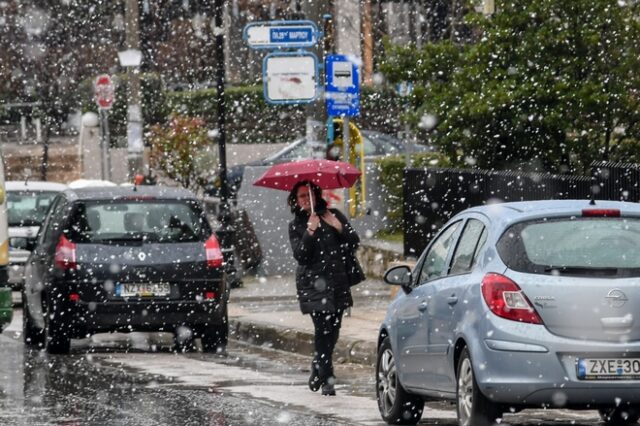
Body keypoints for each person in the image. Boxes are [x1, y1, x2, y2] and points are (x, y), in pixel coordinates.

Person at [287, 180, 361, 396]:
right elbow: (301, 256)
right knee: (322, 330)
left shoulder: (334, 214)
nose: (305, 199)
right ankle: (328, 378)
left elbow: (354, 242)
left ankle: (317, 366)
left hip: (338, 281)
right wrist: (310, 231)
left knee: (334, 330)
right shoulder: (296, 225)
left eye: (308, 194)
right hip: (313, 285)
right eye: (301, 196)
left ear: (316, 194)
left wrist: (337, 226)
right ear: (296, 200)